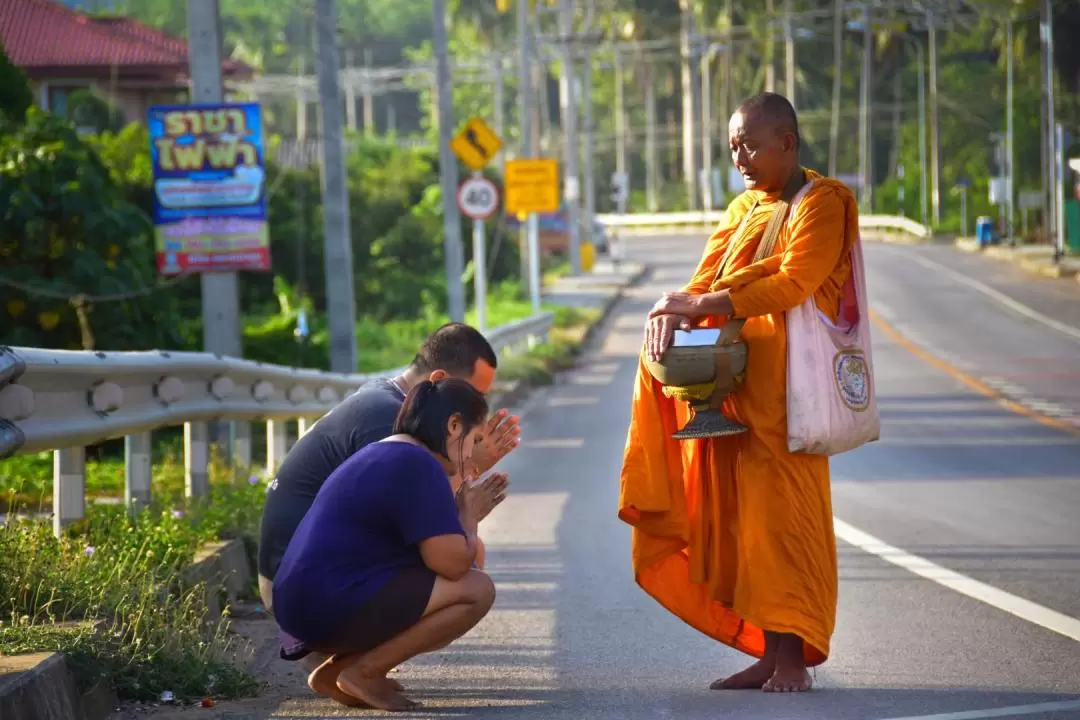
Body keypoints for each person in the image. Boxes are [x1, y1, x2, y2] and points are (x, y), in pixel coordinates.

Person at [618, 92, 860, 694]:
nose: (741, 159)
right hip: (733, 391)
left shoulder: (822, 202)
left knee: (787, 525)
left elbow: (794, 280)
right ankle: (765, 648)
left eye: (750, 145)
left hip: (791, 398)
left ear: (787, 142)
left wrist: (701, 302)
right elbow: (705, 279)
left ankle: (794, 657)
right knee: (744, 530)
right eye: (732, 148)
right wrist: (671, 312)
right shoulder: (744, 208)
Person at [257, 323, 519, 678]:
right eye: (470, 396)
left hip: (306, 576)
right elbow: (444, 542)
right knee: (469, 577)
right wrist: (469, 469)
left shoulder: (388, 402)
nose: (478, 411)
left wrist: (465, 464)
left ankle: (348, 664)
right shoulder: (389, 422)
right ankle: (359, 667)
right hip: (302, 582)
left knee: (466, 553)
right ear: (439, 381)